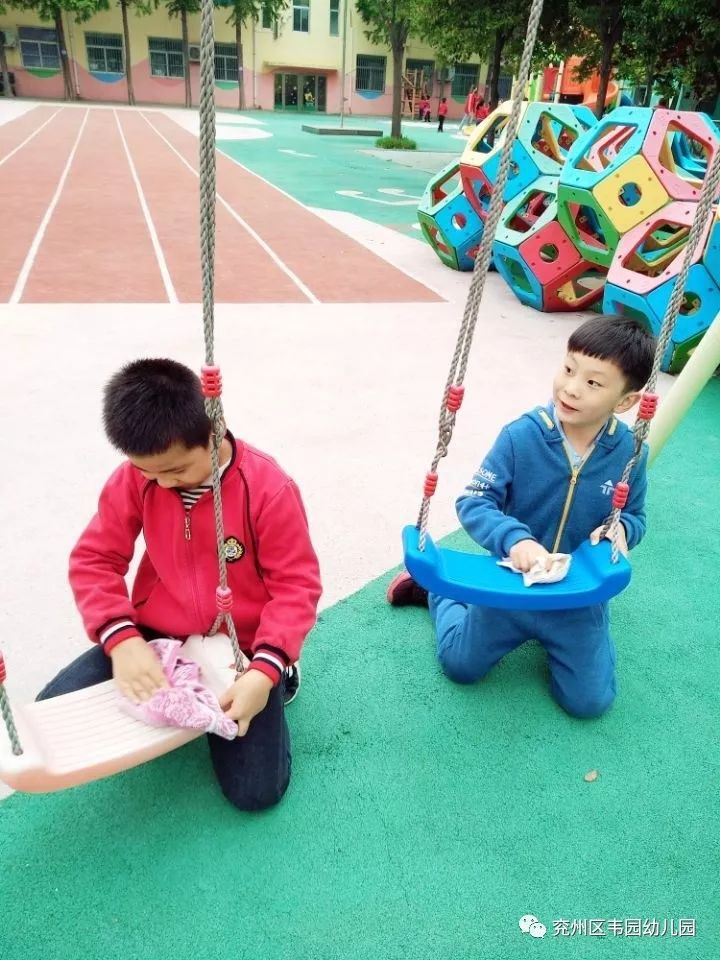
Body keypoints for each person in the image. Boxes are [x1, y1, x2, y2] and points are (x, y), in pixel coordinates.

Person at [37, 359, 322, 810]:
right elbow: (95, 557)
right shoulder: (138, 478)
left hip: (239, 645)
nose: (162, 482)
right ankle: (178, 695)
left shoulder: (268, 489)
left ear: (215, 429)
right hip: (158, 630)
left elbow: (297, 587)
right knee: (52, 711)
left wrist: (264, 670)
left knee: (255, 792)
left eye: (175, 470)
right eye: (149, 472)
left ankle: (281, 678)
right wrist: (123, 640)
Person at [388, 315, 656, 719]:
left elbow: (634, 516)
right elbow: (475, 501)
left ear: (625, 402)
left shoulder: (628, 455)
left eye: (593, 383)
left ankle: (588, 636)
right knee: (460, 667)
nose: (570, 387)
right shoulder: (523, 436)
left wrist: (621, 529)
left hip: (575, 595)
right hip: (510, 583)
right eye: (568, 369)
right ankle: (440, 595)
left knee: (589, 703)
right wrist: (517, 540)